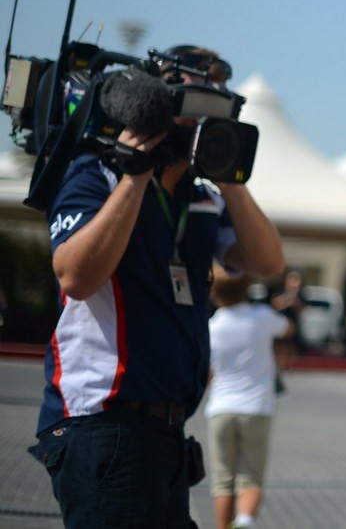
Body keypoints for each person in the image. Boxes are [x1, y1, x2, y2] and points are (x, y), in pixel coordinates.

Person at [27, 44, 285, 528]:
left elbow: (268, 261)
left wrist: (230, 172)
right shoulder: (95, 175)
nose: (199, 128)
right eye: (192, 111)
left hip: (166, 434)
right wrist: (134, 175)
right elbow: (76, 277)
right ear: (154, 105)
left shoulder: (202, 198)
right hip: (103, 425)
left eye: (216, 112)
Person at [205, 266, 292, 529]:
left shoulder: (211, 326)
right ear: (246, 288)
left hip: (220, 407)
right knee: (250, 478)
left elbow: (206, 372)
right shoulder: (262, 317)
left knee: (222, 481)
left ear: (214, 294)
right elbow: (287, 329)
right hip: (257, 407)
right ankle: (243, 521)